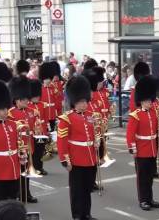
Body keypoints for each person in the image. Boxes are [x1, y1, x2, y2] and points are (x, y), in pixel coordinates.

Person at [57, 76, 99, 220]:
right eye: (81, 102)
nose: (84, 104)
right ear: (74, 102)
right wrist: (65, 159)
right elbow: (62, 141)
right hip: (76, 159)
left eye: (85, 101)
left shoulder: (91, 116)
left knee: (87, 189)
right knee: (77, 191)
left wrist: (97, 142)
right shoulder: (66, 118)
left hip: (90, 158)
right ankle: (77, 215)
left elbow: (94, 133)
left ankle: (86, 214)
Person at [126, 76, 159, 211]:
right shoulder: (136, 115)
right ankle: (143, 200)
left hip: (152, 148)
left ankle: (150, 198)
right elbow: (130, 134)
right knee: (142, 177)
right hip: (141, 150)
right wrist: (132, 148)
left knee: (150, 176)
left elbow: (156, 129)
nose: (149, 103)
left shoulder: (153, 112)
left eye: (150, 100)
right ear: (141, 101)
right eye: (147, 101)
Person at [7, 76, 38, 204]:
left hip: (29, 144)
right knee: (17, 173)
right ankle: (16, 194)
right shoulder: (10, 113)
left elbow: (36, 127)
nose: (27, 101)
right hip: (17, 146)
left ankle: (26, 194)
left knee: (27, 171)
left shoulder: (32, 111)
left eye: (26, 99)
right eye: (24, 99)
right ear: (17, 100)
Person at [28, 79, 49, 176]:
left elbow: (45, 118)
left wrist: (47, 131)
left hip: (42, 132)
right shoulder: (28, 106)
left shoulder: (43, 105)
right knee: (33, 151)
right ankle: (33, 167)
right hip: (33, 133)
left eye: (37, 96)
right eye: (34, 96)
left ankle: (39, 167)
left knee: (40, 150)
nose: (36, 98)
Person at [38, 62, 58, 132]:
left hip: (52, 114)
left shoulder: (53, 87)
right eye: (47, 79)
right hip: (44, 114)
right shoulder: (40, 88)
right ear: (43, 79)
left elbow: (56, 101)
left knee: (53, 131)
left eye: (50, 78)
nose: (49, 80)